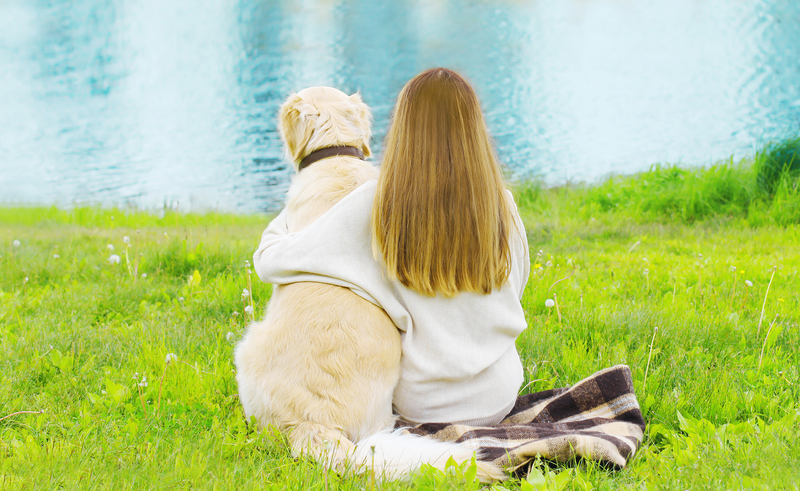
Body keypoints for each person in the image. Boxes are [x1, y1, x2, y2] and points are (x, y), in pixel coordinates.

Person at [253, 68, 530, 426]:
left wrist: (287, 218)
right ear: (476, 131)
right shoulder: (502, 204)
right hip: (499, 395)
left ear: (402, 130)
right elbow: (516, 287)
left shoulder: (376, 202)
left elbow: (270, 261)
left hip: (422, 407)